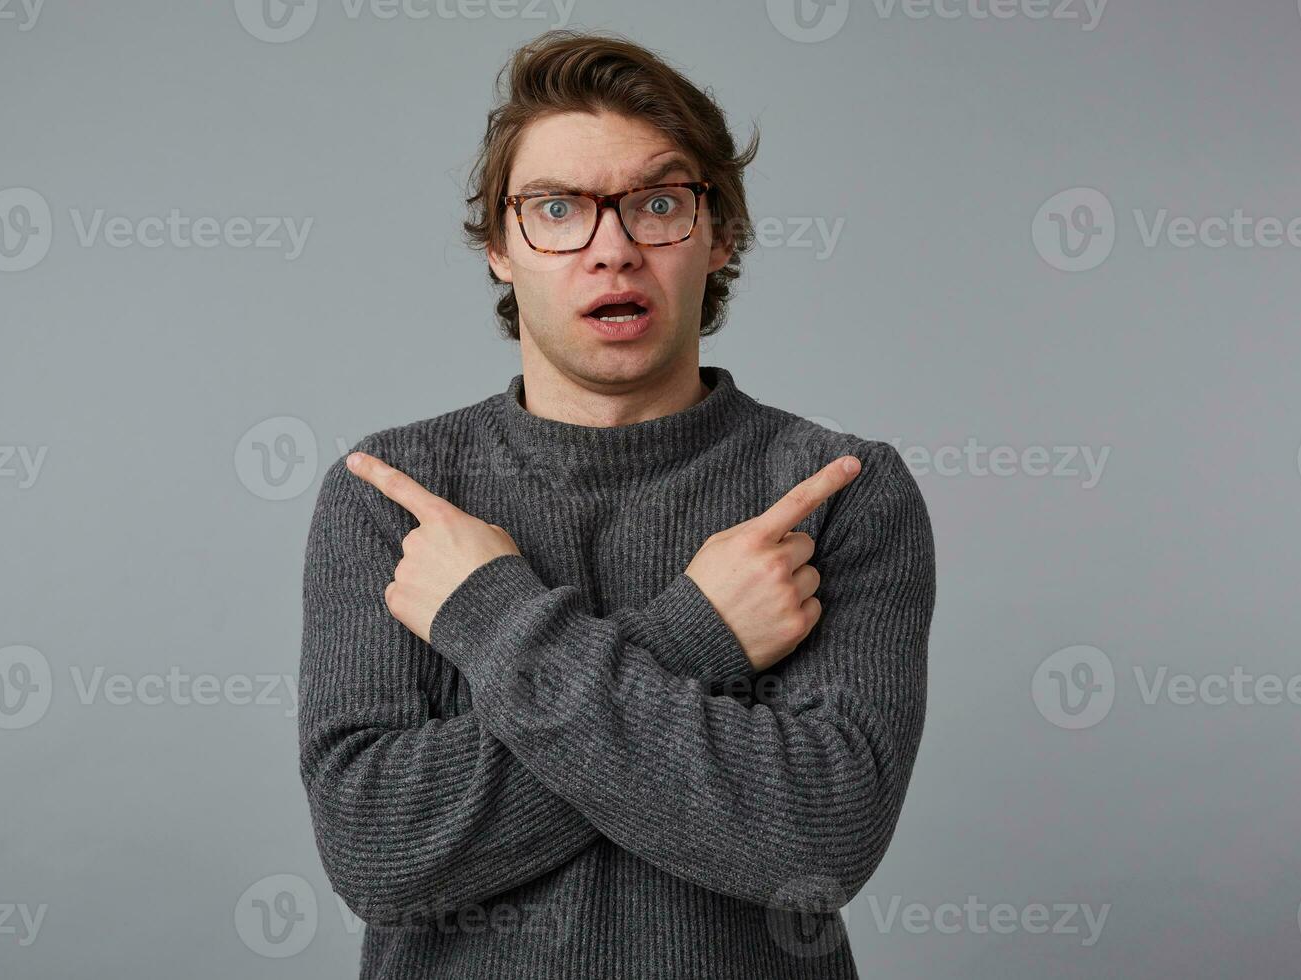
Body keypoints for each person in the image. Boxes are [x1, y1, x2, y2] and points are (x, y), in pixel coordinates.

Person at [298, 28, 936, 980]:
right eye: (557, 208)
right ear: (500, 249)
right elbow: (381, 854)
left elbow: (818, 847)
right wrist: (699, 634)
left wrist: (487, 615)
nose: (614, 250)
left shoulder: (834, 490)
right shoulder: (393, 497)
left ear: (720, 234)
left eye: (658, 204)